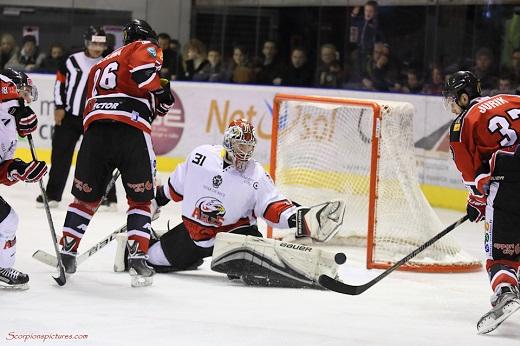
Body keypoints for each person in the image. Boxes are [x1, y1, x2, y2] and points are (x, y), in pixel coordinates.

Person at [114, 119, 346, 288]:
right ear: (228, 143)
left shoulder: (256, 174)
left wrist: (300, 219)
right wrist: (155, 202)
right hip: (193, 235)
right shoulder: (201, 156)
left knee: (253, 271)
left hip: (234, 237)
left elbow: (272, 206)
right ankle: (160, 243)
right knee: (151, 259)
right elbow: (175, 187)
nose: (245, 153)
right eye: (240, 146)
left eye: (249, 147)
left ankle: (258, 264)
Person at [57, 19, 174, 287]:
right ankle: (137, 258)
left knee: (84, 200)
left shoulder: (100, 64)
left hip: (96, 133)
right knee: (141, 201)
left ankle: (67, 252)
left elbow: (90, 105)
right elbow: (146, 80)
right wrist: (163, 89)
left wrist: (159, 97)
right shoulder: (144, 47)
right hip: (131, 132)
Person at [443, 70, 520, 334]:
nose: (451, 105)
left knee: (500, 255)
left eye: (453, 99)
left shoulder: (461, 124)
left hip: (509, 183)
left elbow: (476, 179)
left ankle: (505, 292)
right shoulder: (510, 99)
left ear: (464, 97)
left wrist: (476, 203)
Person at [36, 27, 117, 210]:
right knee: (60, 156)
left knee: (101, 158)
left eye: (101, 43)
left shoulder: (111, 61)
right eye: (94, 43)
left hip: (97, 118)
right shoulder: (71, 60)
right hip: (70, 118)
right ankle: (52, 195)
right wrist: (58, 106)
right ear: (86, 42)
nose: (97, 47)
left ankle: (108, 197)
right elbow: (60, 83)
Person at [0, 68, 47, 289]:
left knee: (8, 220)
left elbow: (2, 171)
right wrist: (14, 104)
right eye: (24, 92)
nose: (28, 99)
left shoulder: (8, 126)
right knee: (7, 221)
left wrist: (19, 170)